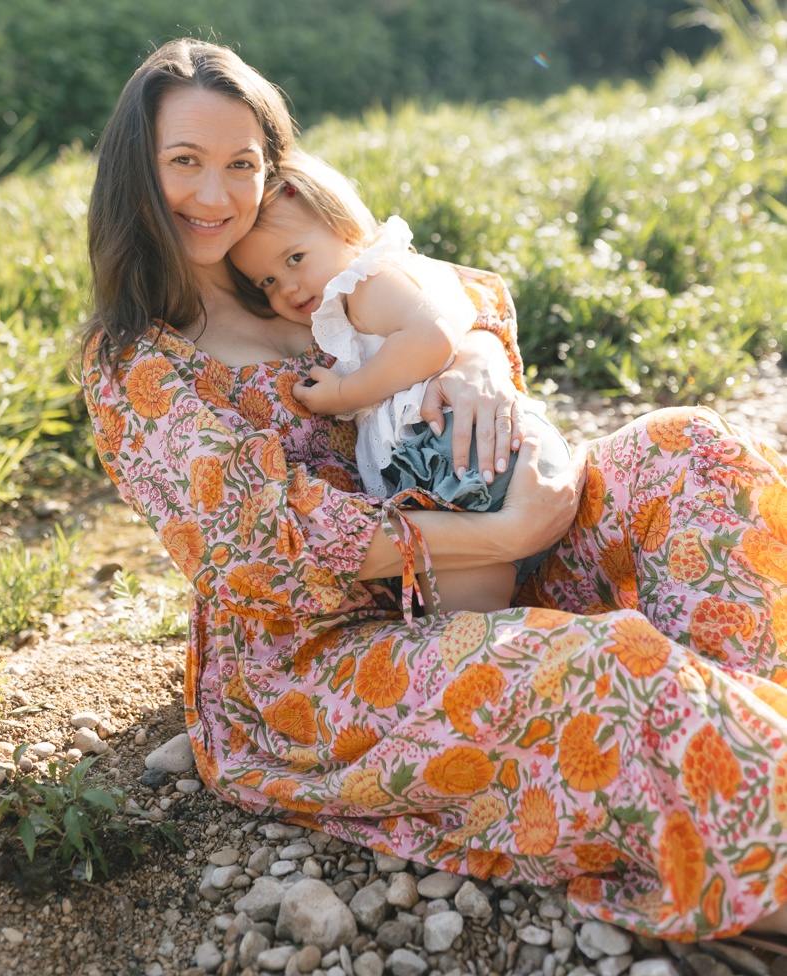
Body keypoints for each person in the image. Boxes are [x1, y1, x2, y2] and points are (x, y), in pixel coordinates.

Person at [79, 37, 787, 945]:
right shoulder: (140, 361)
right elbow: (262, 544)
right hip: (326, 654)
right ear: (136, 172)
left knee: (695, 453)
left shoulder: (295, 254)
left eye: (240, 164)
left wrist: (482, 362)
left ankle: (736, 729)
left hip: (491, 553)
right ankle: (744, 838)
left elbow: (453, 295)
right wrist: (503, 535)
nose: (216, 197)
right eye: (184, 163)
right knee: (605, 666)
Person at [227, 151, 571, 612]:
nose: (286, 287)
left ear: (343, 228)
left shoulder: (366, 283)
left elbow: (433, 335)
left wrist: (347, 393)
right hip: (471, 454)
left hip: (458, 457)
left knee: (465, 624)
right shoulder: (364, 290)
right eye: (266, 280)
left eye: (295, 258)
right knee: (484, 615)